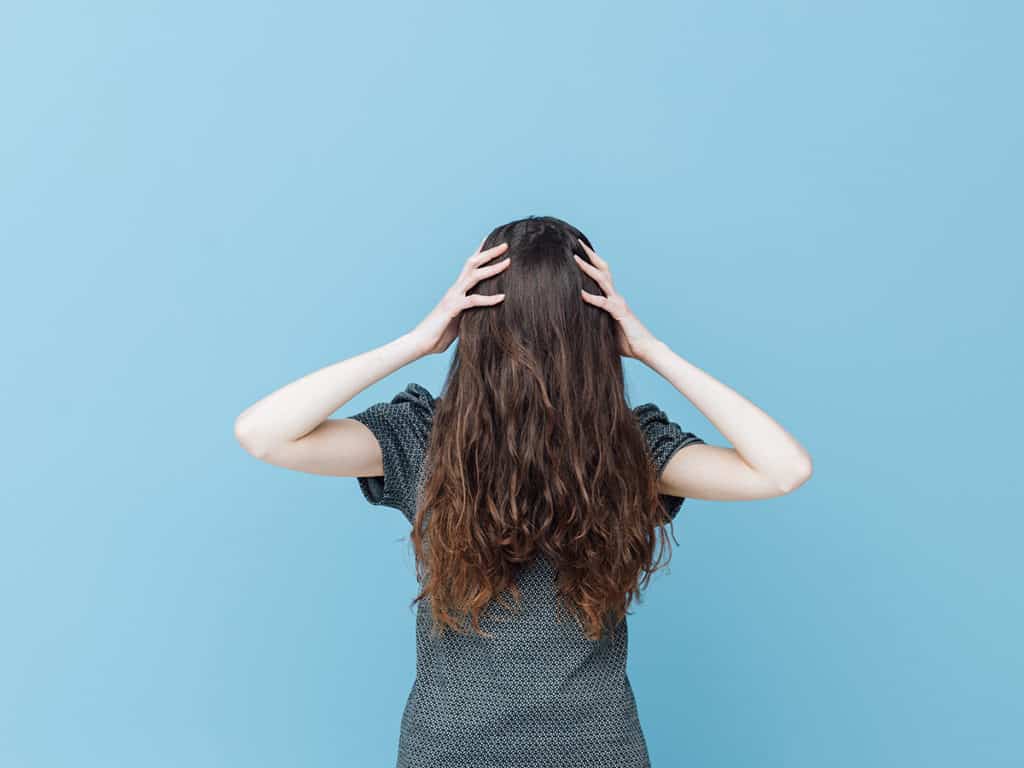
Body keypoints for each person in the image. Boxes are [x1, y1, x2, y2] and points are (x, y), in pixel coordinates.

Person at [233, 215, 813, 768]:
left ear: (474, 327)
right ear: (598, 331)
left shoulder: (618, 446)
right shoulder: (435, 440)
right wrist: (648, 348)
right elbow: (263, 434)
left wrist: (418, 341)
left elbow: (782, 470)